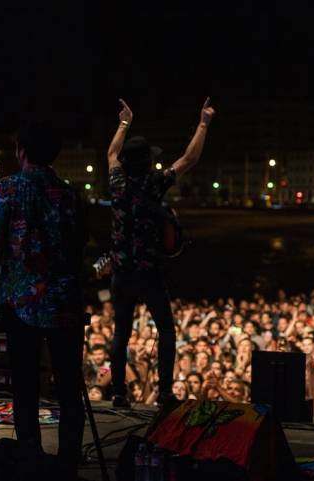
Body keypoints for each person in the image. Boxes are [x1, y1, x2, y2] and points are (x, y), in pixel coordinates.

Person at [0, 120, 87, 480]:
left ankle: (30, 464)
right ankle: (67, 467)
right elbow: (78, 252)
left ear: (21, 151)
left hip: (23, 307)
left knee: (26, 390)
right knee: (69, 391)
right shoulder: (72, 194)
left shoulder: (8, 189)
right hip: (66, 305)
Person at [107, 98, 215, 407]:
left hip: (121, 273)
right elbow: (189, 158)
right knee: (166, 330)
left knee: (121, 335)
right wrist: (204, 123)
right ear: (148, 162)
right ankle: (165, 393)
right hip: (148, 272)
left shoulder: (117, 183)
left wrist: (125, 121)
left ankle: (118, 395)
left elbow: (112, 152)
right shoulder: (154, 184)